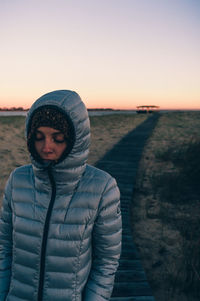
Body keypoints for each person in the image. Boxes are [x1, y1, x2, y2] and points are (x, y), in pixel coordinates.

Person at [0, 90, 122, 301]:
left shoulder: (103, 188)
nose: (47, 147)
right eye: (38, 137)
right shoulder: (17, 180)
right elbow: (4, 248)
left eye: (58, 138)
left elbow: (107, 262)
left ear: (76, 138)